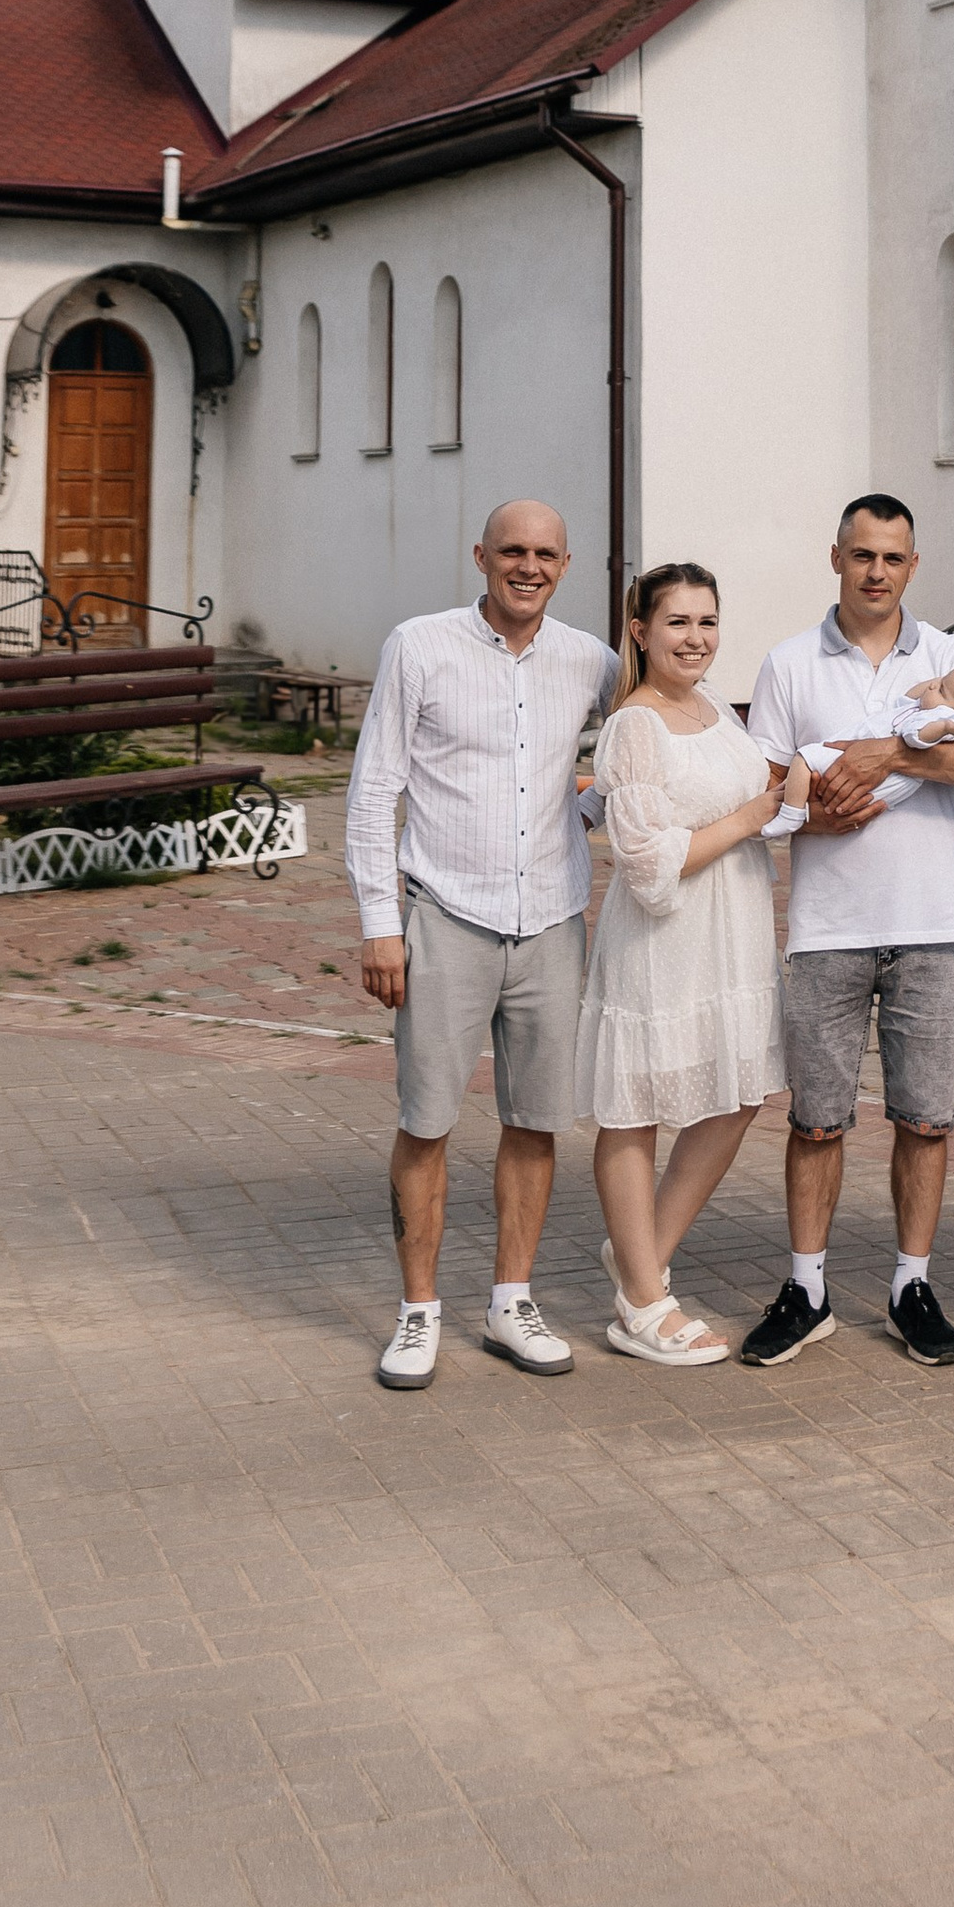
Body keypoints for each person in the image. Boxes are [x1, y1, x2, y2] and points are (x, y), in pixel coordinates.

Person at [347, 498, 618, 1390]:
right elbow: (373, 788)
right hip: (443, 920)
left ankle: (511, 1301)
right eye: (512, 551)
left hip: (550, 922)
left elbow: (649, 736)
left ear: (566, 564)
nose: (528, 566)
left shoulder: (590, 661)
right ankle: (418, 1313)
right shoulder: (419, 645)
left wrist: (588, 803)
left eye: (545, 553)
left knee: (534, 1121)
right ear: (481, 556)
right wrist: (382, 926)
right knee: (426, 1119)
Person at [736, 497, 954, 1369]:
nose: (876, 572)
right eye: (861, 556)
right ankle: (807, 1287)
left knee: (926, 1120)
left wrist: (891, 756)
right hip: (827, 929)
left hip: (931, 925)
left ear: (914, 565)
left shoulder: (950, 659)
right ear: (836, 559)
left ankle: (910, 1285)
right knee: (816, 1121)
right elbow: (770, 787)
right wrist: (815, 820)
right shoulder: (786, 664)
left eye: (892, 557)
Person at [578, 562, 807, 1367]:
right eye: (677, 622)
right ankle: (643, 1303)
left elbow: (749, 792)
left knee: (735, 1096)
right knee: (636, 1106)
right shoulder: (636, 725)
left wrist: (791, 790)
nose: (696, 638)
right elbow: (643, 863)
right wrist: (752, 814)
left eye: (707, 622)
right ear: (640, 632)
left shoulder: (711, 704)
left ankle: (639, 1257)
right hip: (663, 938)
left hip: (733, 928)